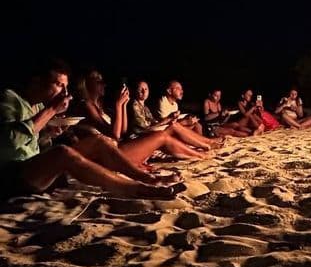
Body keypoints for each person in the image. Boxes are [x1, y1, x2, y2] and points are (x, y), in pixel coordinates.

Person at [0, 60, 183, 201]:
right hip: (13, 175)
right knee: (62, 152)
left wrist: (49, 134)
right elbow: (9, 141)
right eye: (59, 85)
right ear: (37, 81)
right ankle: (133, 188)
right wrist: (52, 110)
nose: (64, 93)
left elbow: (35, 144)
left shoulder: (38, 105)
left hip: (35, 169)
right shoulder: (9, 98)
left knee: (99, 141)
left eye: (65, 87)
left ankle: (146, 178)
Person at [75, 70, 213, 163]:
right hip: (110, 155)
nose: (103, 84)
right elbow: (115, 135)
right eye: (98, 82)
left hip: (118, 148)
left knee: (165, 134)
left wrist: (123, 105)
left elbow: (122, 131)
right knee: (162, 136)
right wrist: (118, 105)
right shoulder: (86, 105)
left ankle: (202, 150)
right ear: (87, 84)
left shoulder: (100, 106)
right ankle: (200, 153)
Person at [129, 80, 230, 144]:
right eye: (178, 88)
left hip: (159, 130)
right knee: (179, 126)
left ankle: (204, 142)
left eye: (146, 89)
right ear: (169, 91)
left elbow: (158, 123)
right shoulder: (160, 102)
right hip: (148, 136)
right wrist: (177, 120)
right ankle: (206, 142)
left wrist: (182, 119)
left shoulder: (146, 107)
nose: (181, 91)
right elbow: (152, 128)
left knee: (194, 123)